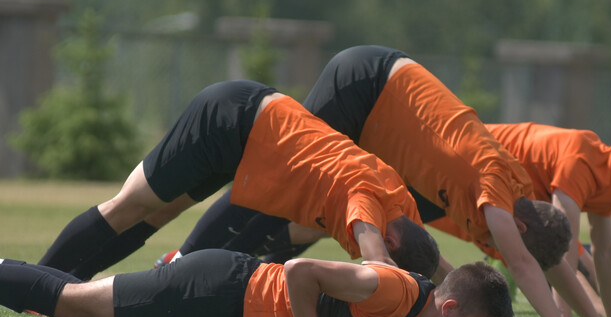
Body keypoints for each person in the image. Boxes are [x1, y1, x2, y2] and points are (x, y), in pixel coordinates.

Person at [165, 47, 609, 317]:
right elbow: (524, 265)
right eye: (504, 242)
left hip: (387, 116)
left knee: (315, 217)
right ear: (517, 225)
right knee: (280, 180)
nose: (494, 249)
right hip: (368, 84)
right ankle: (183, 261)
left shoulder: (510, 200)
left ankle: (251, 276)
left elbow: (538, 261)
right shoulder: (495, 189)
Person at [37, 80, 440, 281]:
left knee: (158, 214)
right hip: (231, 119)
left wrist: (449, 290)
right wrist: (396, 303)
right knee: (129, 206)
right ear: (392, 243)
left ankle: (64, 290)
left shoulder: (402, 210)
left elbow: (421, 258)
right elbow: (377, 267)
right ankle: (29, 284)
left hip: (250, 136)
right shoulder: (369, 205)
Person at [423, 123, 611, 317]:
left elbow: (605, 254)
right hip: (447, 168)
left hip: (482, 193)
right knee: (411, 241)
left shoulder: (602, 175)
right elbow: (566, 254)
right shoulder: (581, 159)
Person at [0, 253, 513, 317]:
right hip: (219, 289)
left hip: (223, 303)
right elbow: (301, 270)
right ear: (450, 309)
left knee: (77, 296)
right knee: (70, 303)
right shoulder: (397, 290)